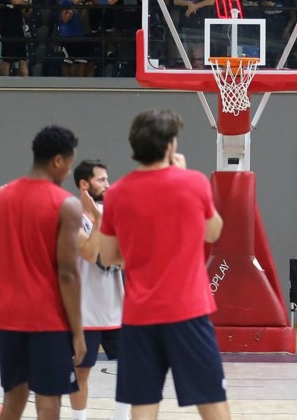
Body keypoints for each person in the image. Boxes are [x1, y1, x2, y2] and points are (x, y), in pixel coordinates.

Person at [99, 109, 231, 420]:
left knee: (143, 406)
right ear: (170, 146)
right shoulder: (193, 183)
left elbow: (108, 257)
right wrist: (184, 176)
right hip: (187, 312)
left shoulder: (116, 194)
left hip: (139, 314)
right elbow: (214, 231)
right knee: (212, 402)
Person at [0, 125, 86, 420]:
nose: (69, 171)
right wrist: (79, 332)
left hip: (7, 316)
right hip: (46, 319)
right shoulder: (66, 204)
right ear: (58, 160)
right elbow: (67, 272)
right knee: (48, 403)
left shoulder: (2, 198)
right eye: (69, 163)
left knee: (14, 398)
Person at [71, 159, 132, 420]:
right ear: (84, 185)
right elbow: (89, 252)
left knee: (131, 369)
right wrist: (99, 220)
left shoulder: (116, 216)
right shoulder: (70, 216)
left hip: (117, 308)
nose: (108, 185)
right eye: (102, 180)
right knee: (81, 371)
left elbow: (126, 258)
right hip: (85, 312)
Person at [0, 0, 32, 77]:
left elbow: (23, 11)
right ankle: (5, 84)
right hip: (8, 28)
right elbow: (14, 1)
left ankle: (27, 82)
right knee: (7, 57)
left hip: (18, 28)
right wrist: (26, 2)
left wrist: (28, 7)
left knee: (22, 57)